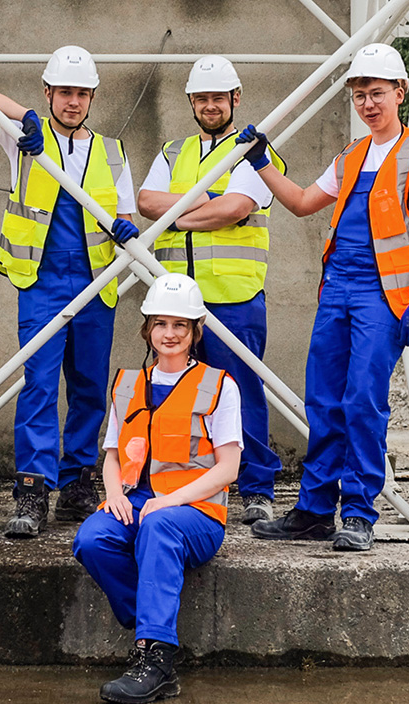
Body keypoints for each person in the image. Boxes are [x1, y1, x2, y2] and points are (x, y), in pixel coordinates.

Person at [235, 43, 409, 551]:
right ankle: (313, 511)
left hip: (383, 297)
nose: (368, 104)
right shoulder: (351, 155)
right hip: (337, 291)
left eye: (376, 93)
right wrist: (263, 163)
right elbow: (305, 203)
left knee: (362, 403)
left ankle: (357, 515)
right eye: (359, 95)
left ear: (399, 92)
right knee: (325, 401)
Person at [0, 46, 141, 539]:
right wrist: (23, 115)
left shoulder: (112, 150)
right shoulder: (24, 138)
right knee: (39, 384)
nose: (73, 102)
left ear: (93, 97)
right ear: (48, 93)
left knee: (87, 386)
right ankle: (33, 489)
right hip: (41, 282)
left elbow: (124, 214)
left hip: (97, 282)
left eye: (82, 93)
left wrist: (127, 231)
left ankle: (78, 481)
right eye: (64, 92)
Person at [72, 273, 242, 704]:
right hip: (138, 500)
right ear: (147, 329)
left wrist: (168, 500)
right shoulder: (127, 383)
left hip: (196, 511)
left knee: (160, 527)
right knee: (91, 538)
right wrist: (112, 495)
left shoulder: (220, 385)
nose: (170, 334)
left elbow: (229, 469)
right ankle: (149, 612)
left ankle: (157, 657)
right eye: (161, 324)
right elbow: (112, 454)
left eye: (180, 325)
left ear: (195, 332)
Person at [136, 56, 286, 527]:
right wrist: (203, 202)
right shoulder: (172, 151)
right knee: (179, 393)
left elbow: (237, 207)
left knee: (242, 391)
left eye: (218, 98)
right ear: (192, 103)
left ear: (235, 99)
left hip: (232, 294)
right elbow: (143, 201)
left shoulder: (254, 153)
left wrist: (179, 212)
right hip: (177, 298)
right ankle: (185, 483)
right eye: (201, 99)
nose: (210, 106)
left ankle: (257, 489)